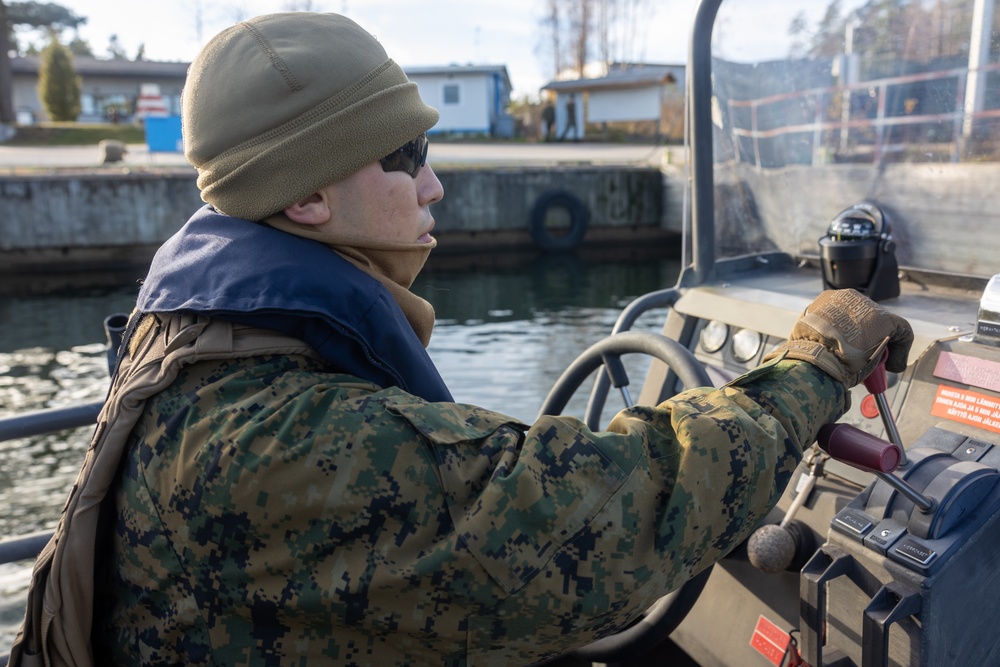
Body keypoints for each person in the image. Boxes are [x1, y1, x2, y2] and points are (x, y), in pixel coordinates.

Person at [6, 12, 914, 667]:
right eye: (405, 156)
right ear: (307, 196)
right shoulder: (282, 437)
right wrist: (815, 362)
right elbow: (600, 526)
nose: (434, 185)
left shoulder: (201, 339)